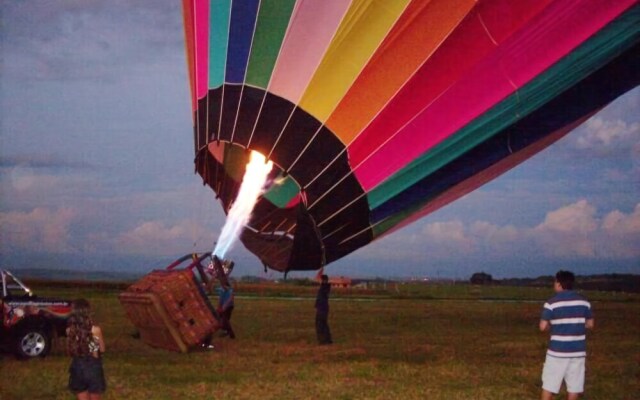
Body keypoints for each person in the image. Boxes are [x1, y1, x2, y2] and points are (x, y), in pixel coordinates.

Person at [539, 270, 594, 400]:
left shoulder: (551, 303)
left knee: (549, 385)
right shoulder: (584, 302)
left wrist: (553, 325)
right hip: (578, 351)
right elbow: (590, 324)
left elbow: (542, 327)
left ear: (559, 283)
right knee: (574, 387)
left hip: (557, 351)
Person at [66, 298, 106, 400]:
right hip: (92, 367)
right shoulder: (95, 330)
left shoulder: (70, 330)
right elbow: (101, 349)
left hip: (77, 367)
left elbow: (72, 349)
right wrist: (92, 344)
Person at [315, 274, 332, 345]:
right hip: (322, 307)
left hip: (322, 308)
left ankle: (323, 340)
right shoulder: (325, 287)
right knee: (323, 323)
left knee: (320, 324)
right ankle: (327, 339)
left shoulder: (325, 287)